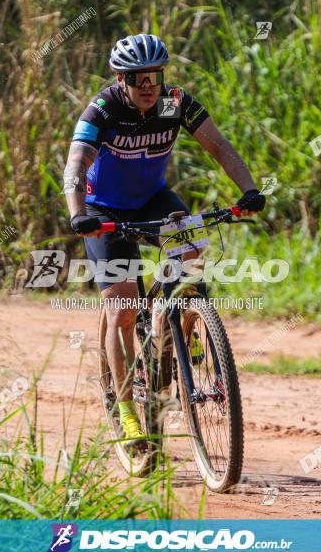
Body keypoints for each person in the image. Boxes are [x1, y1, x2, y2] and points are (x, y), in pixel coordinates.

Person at [62, 33, 265, 444]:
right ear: (121, 79)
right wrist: (78, 213)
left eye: (154, 75)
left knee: (192, 253)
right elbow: (76, 163)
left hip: (154, 200)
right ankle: (124, 408)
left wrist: (248, 190)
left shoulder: (174, 102)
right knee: (121, 307)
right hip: (104, 210)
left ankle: (181, 325)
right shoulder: (103, 109)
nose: (148, 86)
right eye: (138, 78)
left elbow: (218, 146)